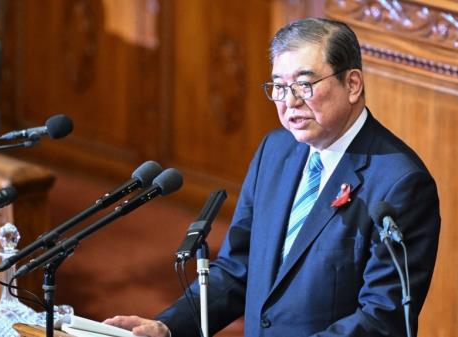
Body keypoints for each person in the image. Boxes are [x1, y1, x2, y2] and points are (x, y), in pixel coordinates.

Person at [105, 17, 440, 337]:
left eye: (304, 85)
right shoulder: (275, 151)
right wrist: (170, 327)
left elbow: (383, 317)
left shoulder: (401, 183)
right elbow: (238, 267)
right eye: (279, 87)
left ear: (352, 84)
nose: (289, 102)